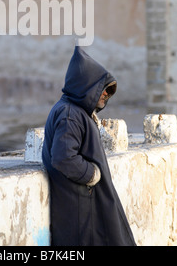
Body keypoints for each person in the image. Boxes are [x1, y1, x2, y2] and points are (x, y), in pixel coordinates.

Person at [42, 46, 136, 246]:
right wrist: (92, 174)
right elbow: (63, 157)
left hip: (85, 204)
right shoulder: (70, 114)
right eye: (101, 89)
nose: (105, 95)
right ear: (85, 86)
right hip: (80, 207)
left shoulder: (75, 111)